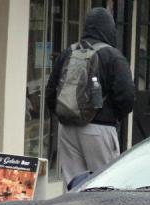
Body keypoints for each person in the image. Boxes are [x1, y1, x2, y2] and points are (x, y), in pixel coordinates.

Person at [45, 7, 135, 188]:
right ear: (110, 29)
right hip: (99, 128)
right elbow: (126, 98)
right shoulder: (113, 56)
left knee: (73, 185)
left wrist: (65, 113)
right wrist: (111, 116)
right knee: (105, 185)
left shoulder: (68, 52)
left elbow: (50, 93)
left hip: (67, 129)